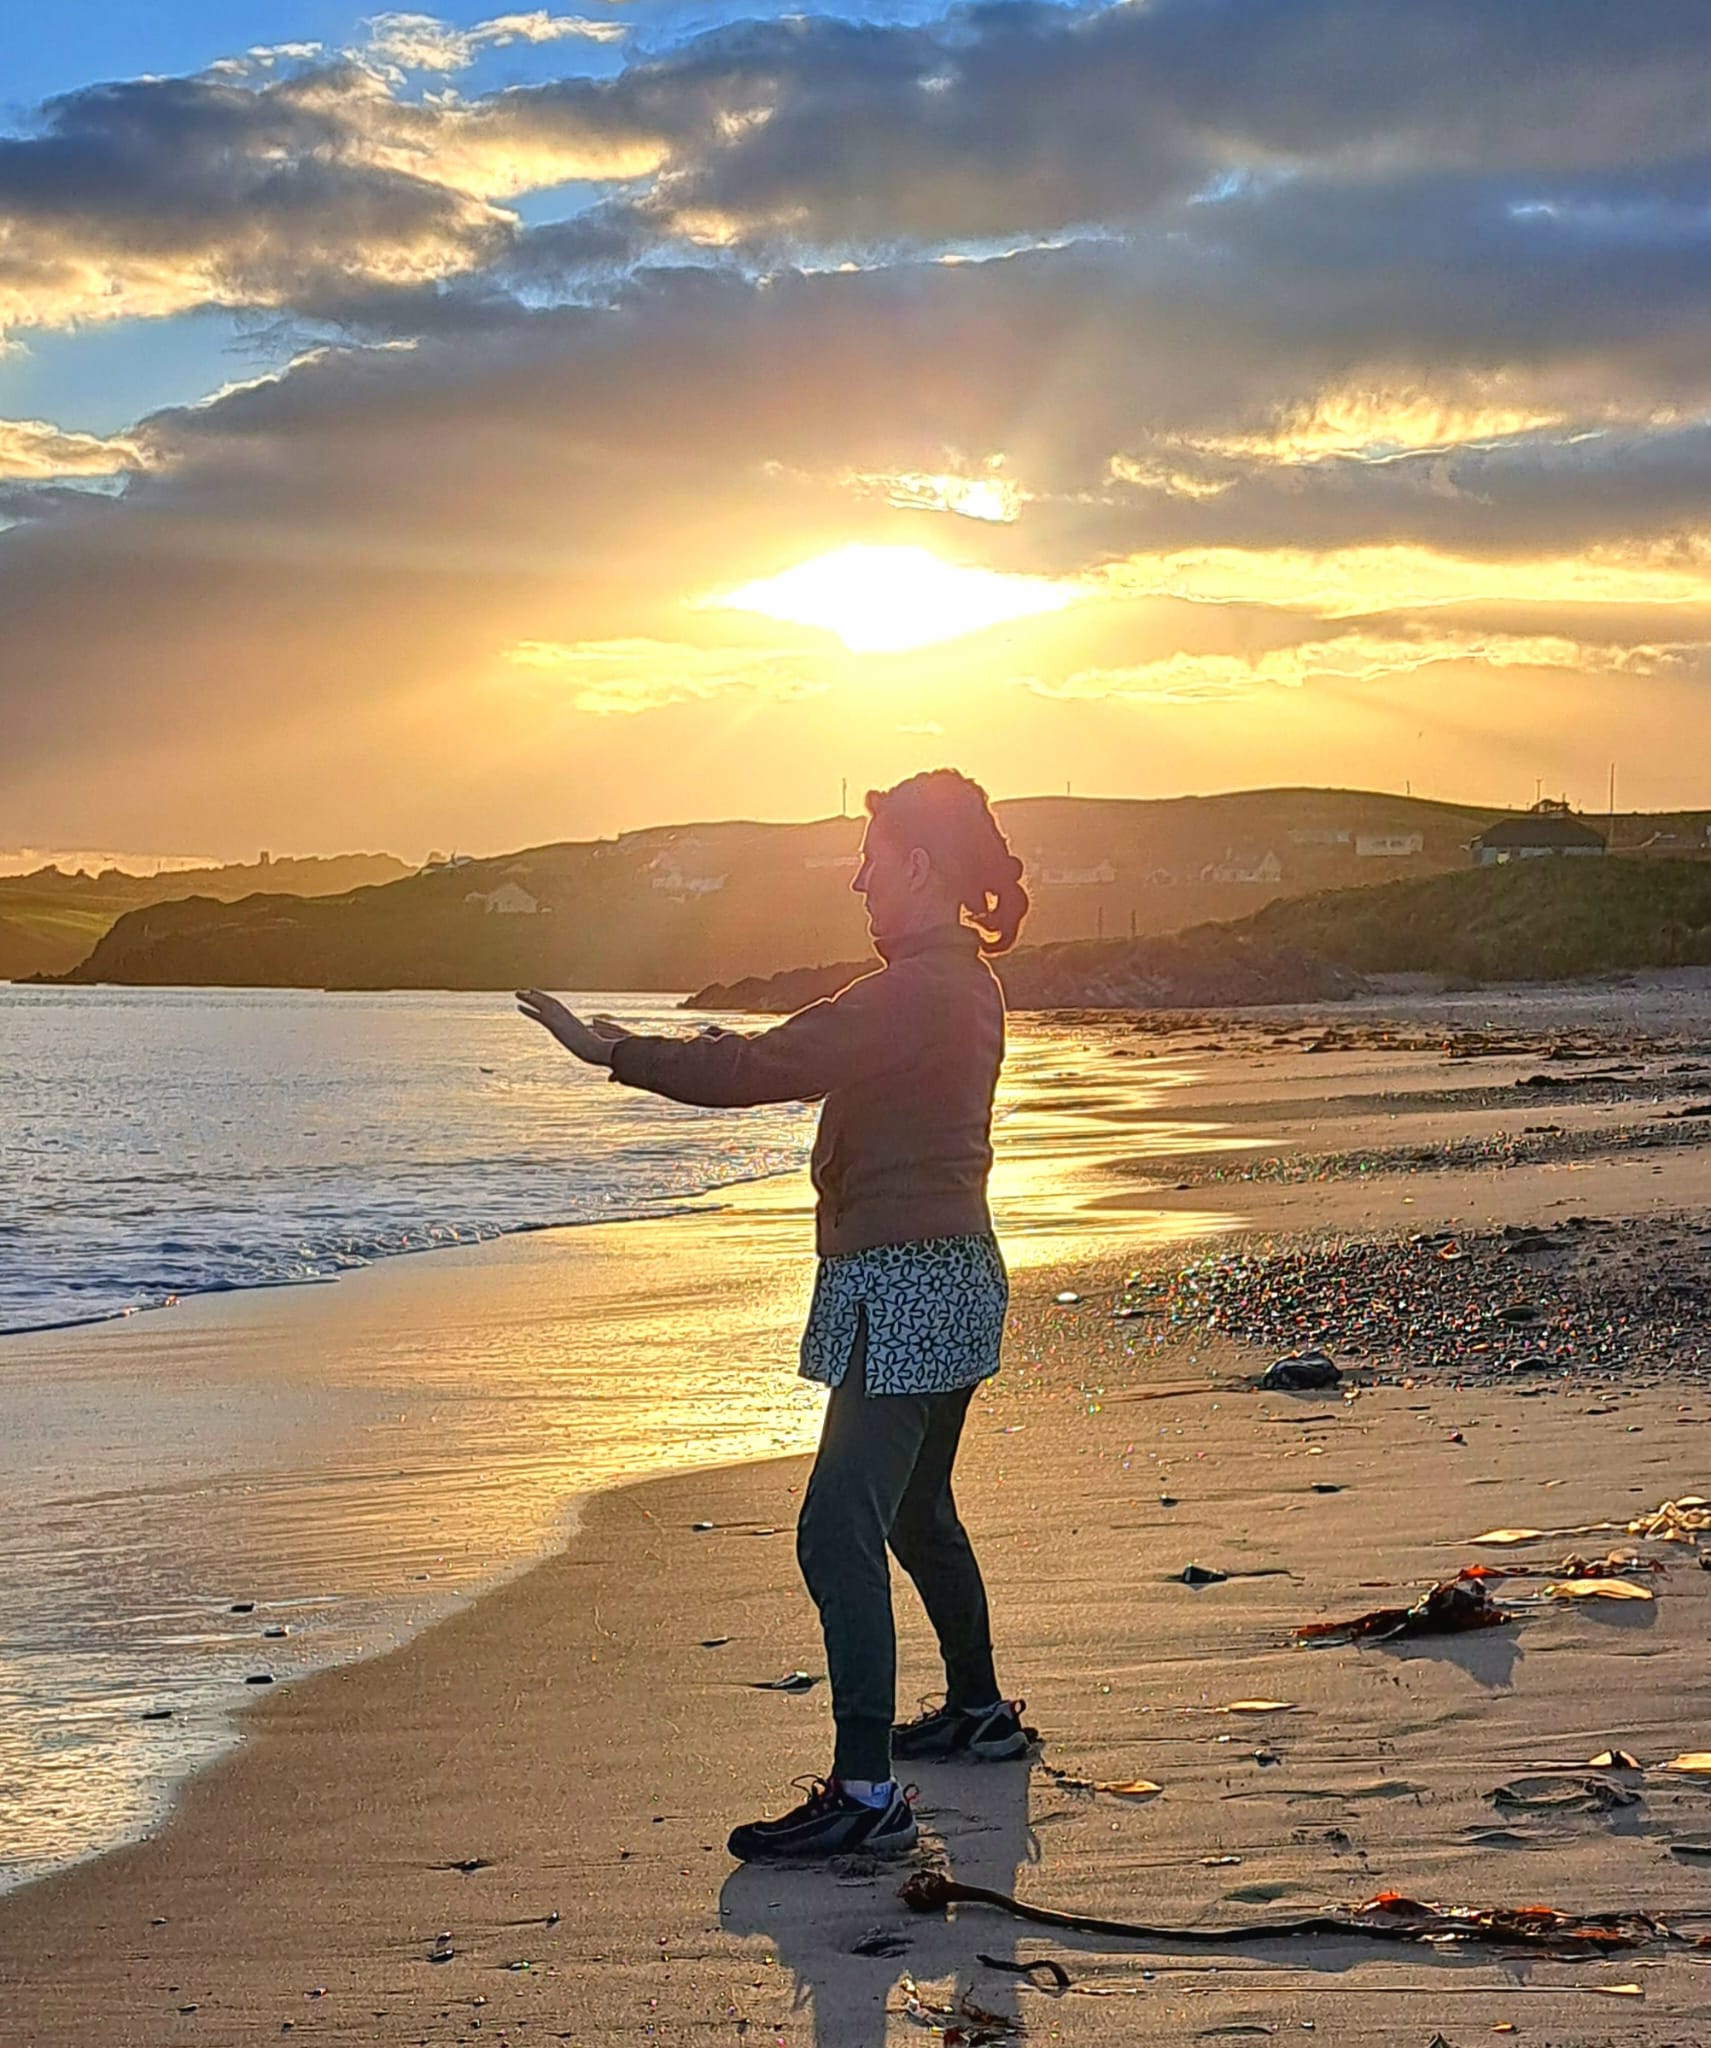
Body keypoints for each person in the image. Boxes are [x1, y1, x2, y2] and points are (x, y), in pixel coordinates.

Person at [517, 767, 1031, 1863]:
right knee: (913, 1507)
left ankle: (865, 1792)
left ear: (921, 867)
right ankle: (979, 1710)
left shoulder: (912, 993)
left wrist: (612, 1051)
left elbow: (763, 1063)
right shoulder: (960, 981)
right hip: (951, 1277)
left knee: (835, 1523)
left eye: (872, 858)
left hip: (905, 1287)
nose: (857, 879)